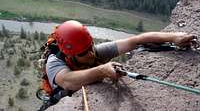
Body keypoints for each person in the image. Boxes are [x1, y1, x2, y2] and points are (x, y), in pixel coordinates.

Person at [46, 20, 194, 97]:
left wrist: (174, 37)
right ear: (69, 55)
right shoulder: (54, 63)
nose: (91, 54)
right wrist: (102, 70)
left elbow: (135, 41)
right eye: (83, 53)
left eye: (90, 47)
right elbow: (67, 81)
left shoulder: (95, 52)